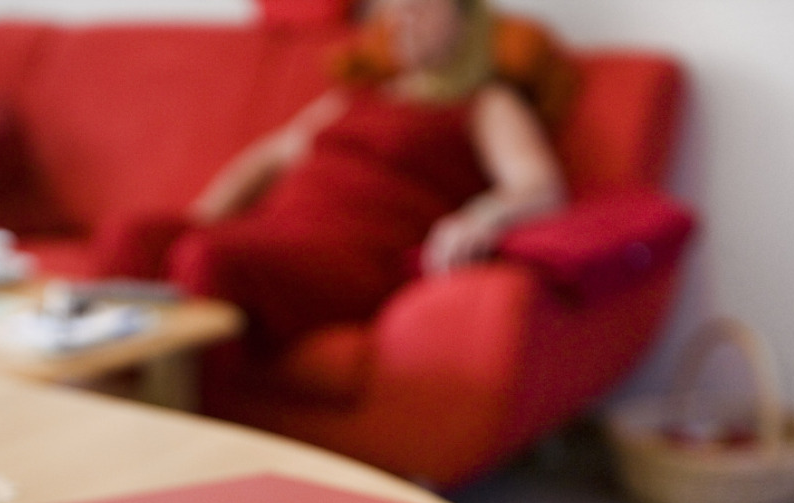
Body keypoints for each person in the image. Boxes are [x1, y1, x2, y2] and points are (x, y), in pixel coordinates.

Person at [155, 0, 565, 355]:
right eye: (396, 8)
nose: (402, 18)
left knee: (209, 258)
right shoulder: (360, 95)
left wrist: (482, 216)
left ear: (465, 21)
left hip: (352, 257)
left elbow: (538, 185)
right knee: (143, 238)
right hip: (273, 232)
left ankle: (184, 415)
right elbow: (269, 157)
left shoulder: (486, 102)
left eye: (420, 8)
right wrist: (202, 218)